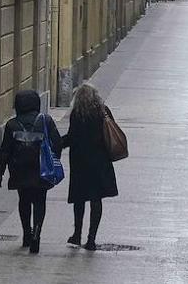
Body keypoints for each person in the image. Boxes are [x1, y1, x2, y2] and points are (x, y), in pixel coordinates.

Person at [0, 89, 61, 254]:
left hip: (20, 170)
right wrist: (52, 161)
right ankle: (37, 235)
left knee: (24, 200)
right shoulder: (46, 120)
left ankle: (26, 234)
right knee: (40, 201)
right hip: (41, 170)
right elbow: (57, 143)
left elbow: (5, 151)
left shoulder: (12, 125)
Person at [61, 83, 118, 251]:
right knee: (96, 200)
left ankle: (77, 234)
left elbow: (71, 137)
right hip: (100, 162)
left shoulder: (77, 114)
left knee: (79, 200)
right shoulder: (103, 111)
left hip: (80, 163)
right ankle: (91, 239)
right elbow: (111, 131)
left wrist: (58, 143)